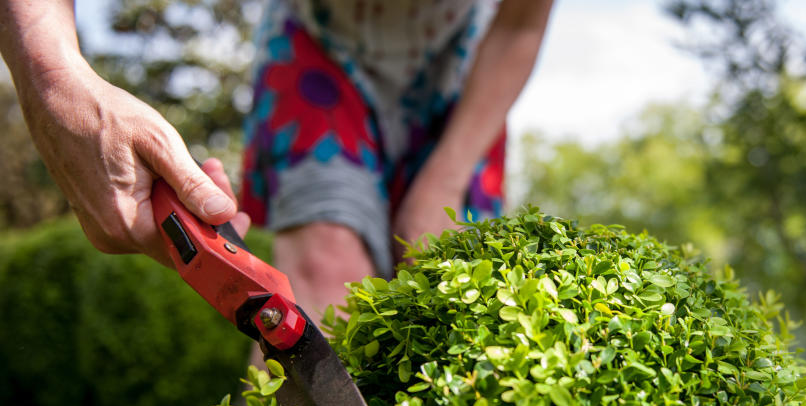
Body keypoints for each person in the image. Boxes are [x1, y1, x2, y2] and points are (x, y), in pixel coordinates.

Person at [0, 0, 553, 323]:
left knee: (444, 299)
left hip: (465, 73)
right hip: (316, 48)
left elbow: (522, 24)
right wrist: (53, 78)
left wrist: (444, 181)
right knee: (327, 273)